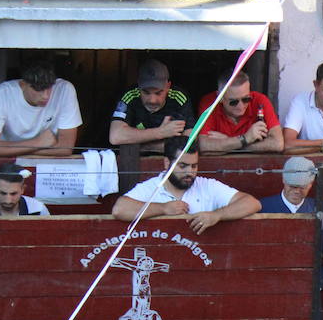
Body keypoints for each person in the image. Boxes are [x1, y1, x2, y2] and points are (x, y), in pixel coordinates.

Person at [111, 138, 261, 233]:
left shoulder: (207, 186)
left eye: (194, 166)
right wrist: (163, 208)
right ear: (167, 163)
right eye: (182, 166)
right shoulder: (152, 186)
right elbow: (120, 209)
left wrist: (217, 215)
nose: (190, 172)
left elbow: (252, 203)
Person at [255, 157, 323, 289]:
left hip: (306, 281)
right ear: (283, 180)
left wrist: (319, 280)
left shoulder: (321, 207)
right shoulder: (262, 206)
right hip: (270, 280)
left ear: (311, 184)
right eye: (292, 186)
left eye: (302, 187)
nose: (296, 191)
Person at [0, 61, 82, 158]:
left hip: (45, 163)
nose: (45, 96)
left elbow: (65, 149)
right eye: (38, 89)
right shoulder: (2, 94)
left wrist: (11, 150)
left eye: (49, 88)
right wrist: (38, 143)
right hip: (10, 164)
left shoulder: (65, 89)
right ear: (23, 84)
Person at [108, 59, 192, 154]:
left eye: (158, 93)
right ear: (138, 85)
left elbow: (188, 144)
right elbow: (115, 136)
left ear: (168, 86)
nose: (152, 100)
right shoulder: (130, 95)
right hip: (133, 162)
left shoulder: (179, 97)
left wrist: (143, 145)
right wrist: (161, 132)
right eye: (146, 92)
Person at [198, 71, 283, 154]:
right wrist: (245, 138)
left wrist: (232, 142)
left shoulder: (260, 101)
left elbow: (277, 144)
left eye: (246, 99)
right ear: (220, 98)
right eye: (233, 102)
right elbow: (204, 146)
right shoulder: (209, 103)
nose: (241, 106)